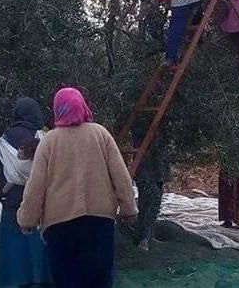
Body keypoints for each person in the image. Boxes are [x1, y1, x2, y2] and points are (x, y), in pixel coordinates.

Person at [17, 87, 138, 288]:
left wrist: (26, 219)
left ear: (57, 110)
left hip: (60, 227)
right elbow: (121, 176)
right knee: (99, 280)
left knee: (66, 280)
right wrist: (129, 209)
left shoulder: (49, 142)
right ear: (82, 107)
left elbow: (35, 187)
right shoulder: (101, 134)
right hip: (99, 223)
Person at [0, 97, 52, 287]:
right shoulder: (43, 137)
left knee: (15, 247)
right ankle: (41, 280)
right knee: (38, 244)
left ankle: (18, 281)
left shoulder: (5, 139)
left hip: (12, 201)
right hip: (39, 201)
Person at [130, 123, 172, 251]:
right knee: (148, 206)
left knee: (152, 205)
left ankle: (147, 236)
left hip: (154, 173)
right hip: (149, 173)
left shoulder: (158, 128)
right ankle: (143, 239)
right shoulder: (146, 128)